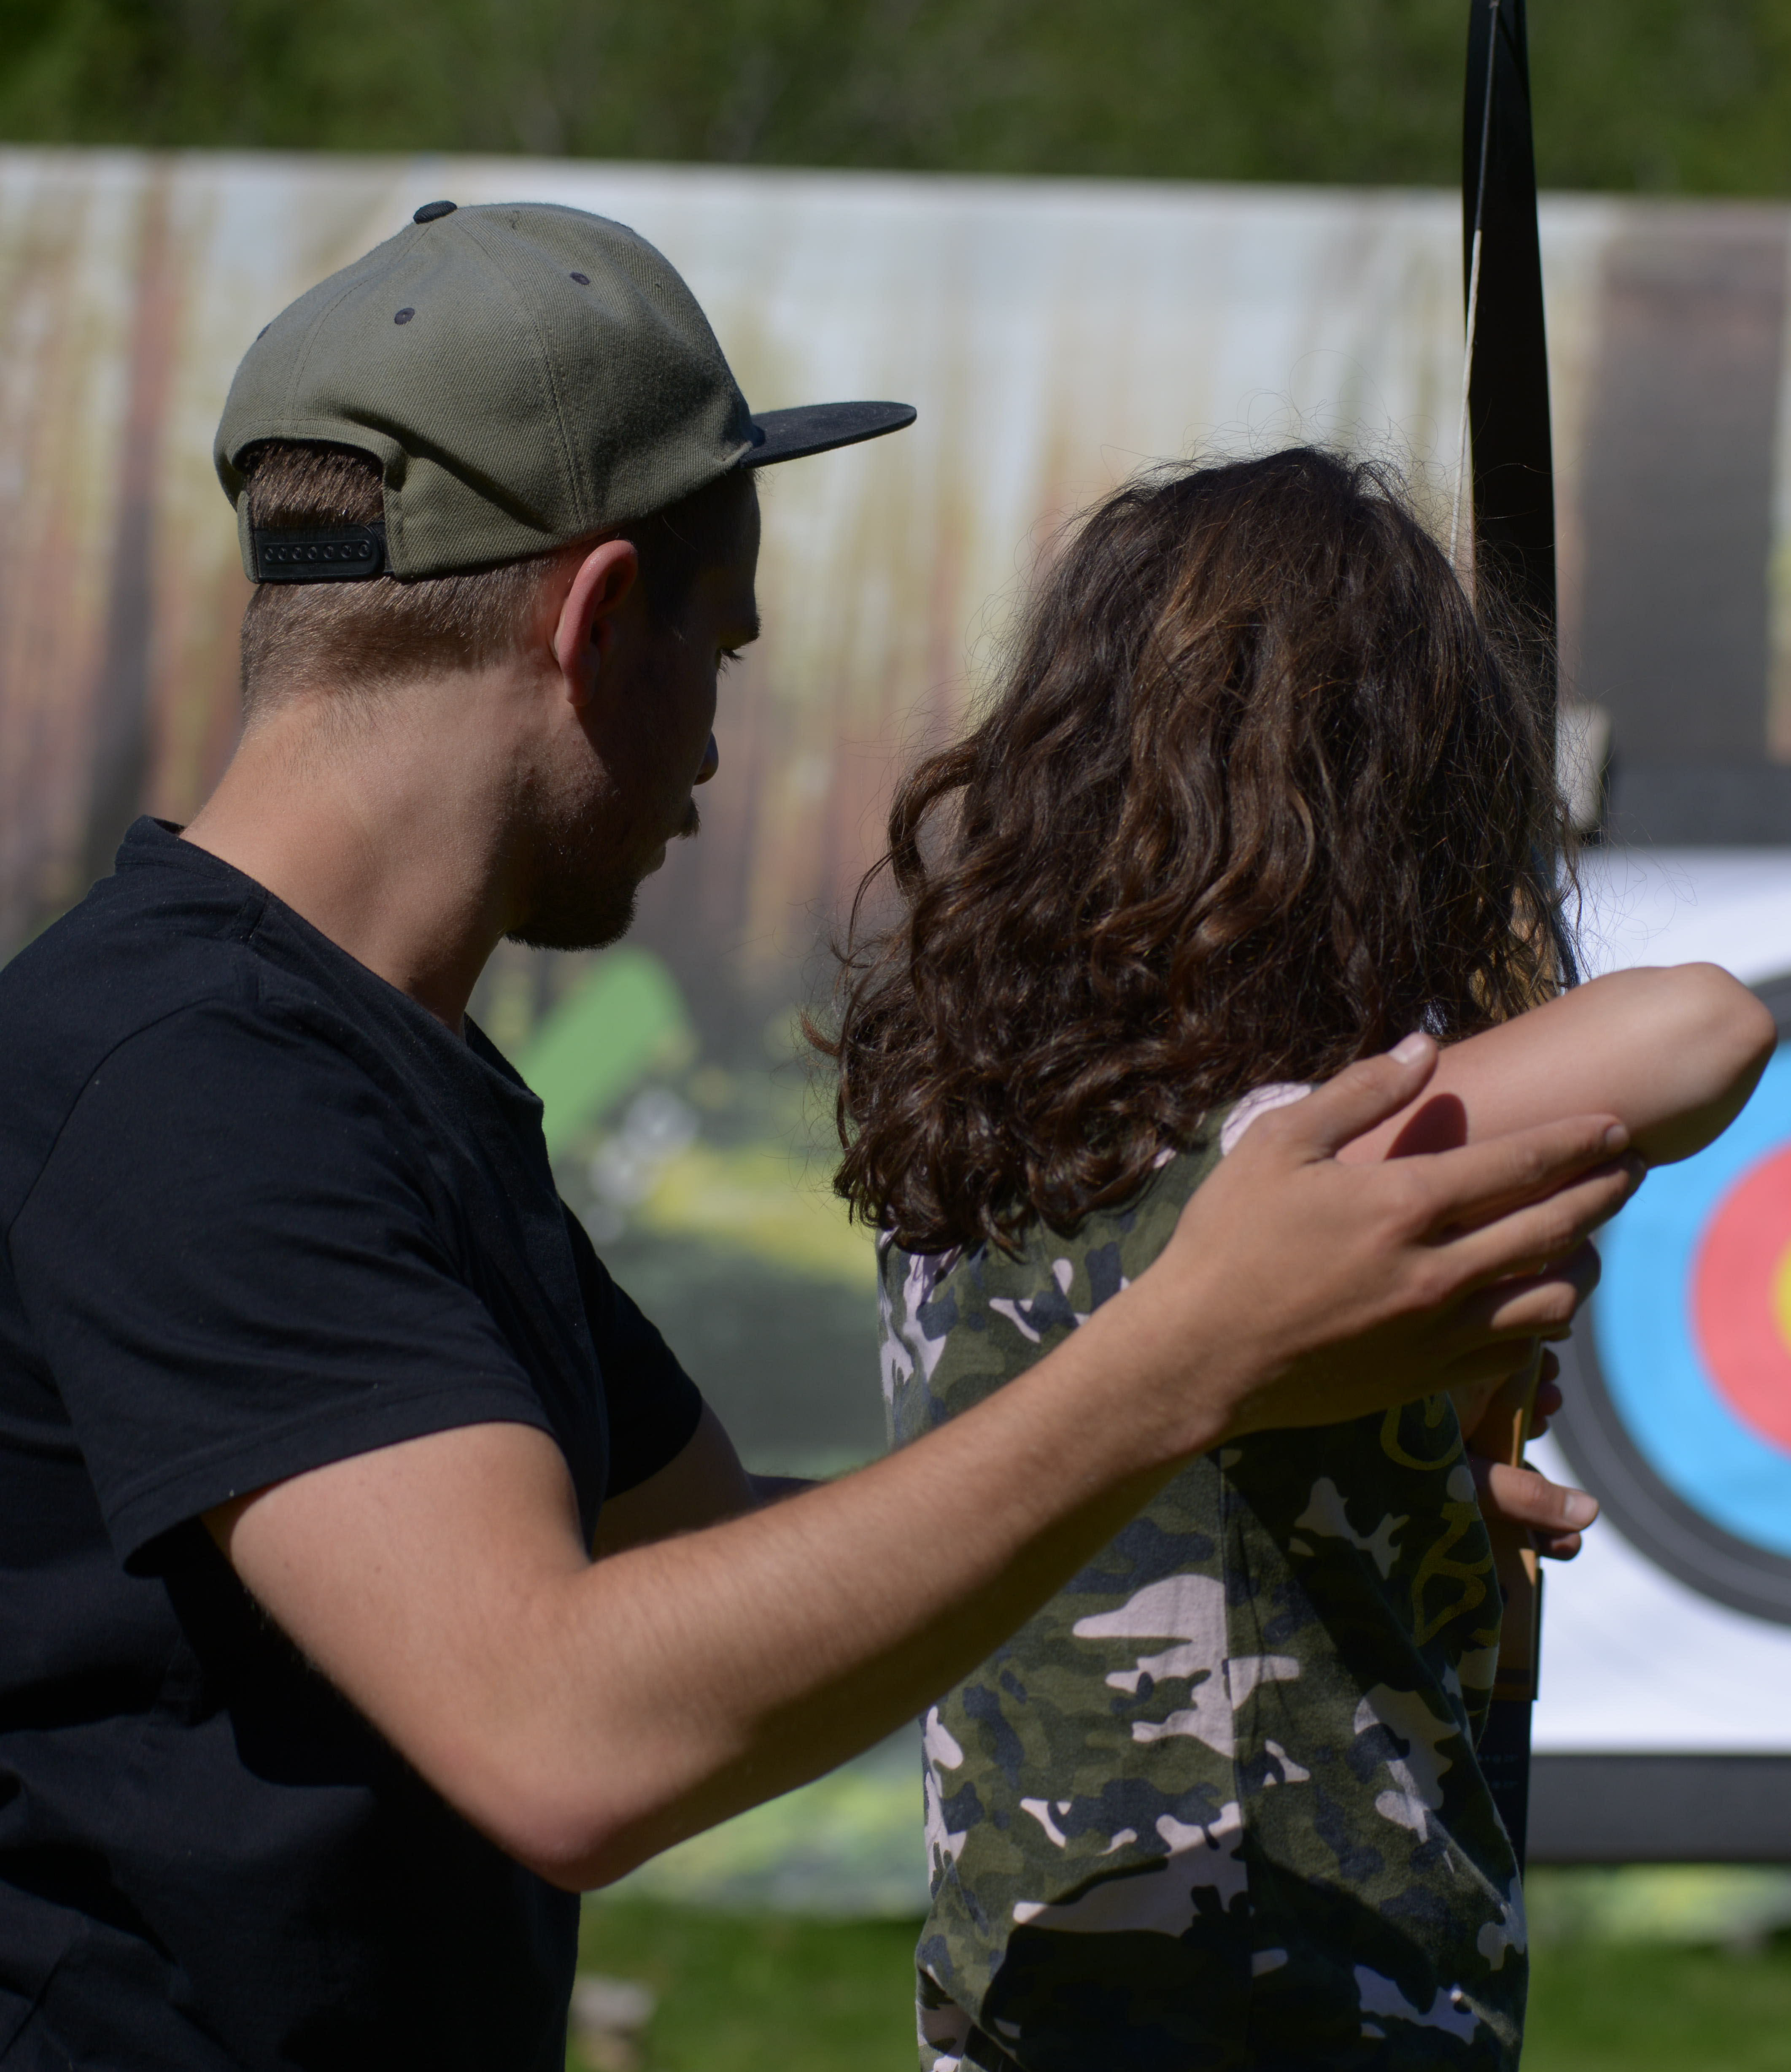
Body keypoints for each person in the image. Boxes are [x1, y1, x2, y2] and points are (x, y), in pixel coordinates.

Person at [0, 204, 1638, 2072]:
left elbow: (734, 1577)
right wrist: (1185, 1360)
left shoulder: (379, 1082)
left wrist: (1268, 1506)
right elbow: (567, 1730)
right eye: (723, 643)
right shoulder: (184, 1085)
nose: (718, 738)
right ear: (597, 618)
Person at [829, 448, 1774, 2071]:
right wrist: (1456, 1041)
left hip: (1023, 2008)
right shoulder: (1285, 1155)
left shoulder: (979, 1155)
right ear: (1392, 798)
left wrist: (1395, 1488)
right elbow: (1705, 1031)